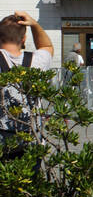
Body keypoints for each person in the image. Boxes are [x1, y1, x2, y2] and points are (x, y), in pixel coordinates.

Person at [0, 12, 55, 159]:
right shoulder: (37, 62)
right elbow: (47, 46)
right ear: (23, 39)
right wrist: (35, 25)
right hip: (31, 137)